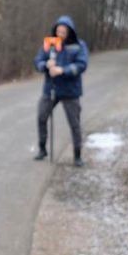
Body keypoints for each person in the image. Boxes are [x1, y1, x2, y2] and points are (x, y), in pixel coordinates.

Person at [33, 15, 89, 167]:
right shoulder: (49, 43)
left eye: (63, 32)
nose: (60, 34)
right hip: (51, 88)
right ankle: (42, 149)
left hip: (70, 90)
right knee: (41, 116)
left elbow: (81, 65)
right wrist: (45, 65)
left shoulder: (79, 45)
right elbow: (37, 61)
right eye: (58, 31)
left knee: (74, 123)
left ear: (70, 32)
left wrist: (62, 70)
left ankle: (77, 156)